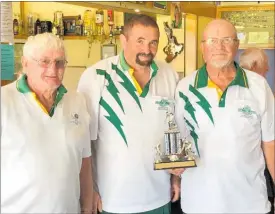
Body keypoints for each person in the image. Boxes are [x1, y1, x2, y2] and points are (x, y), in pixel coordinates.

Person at [77, 14, 181, 214]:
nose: (146, 50)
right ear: (123, 40)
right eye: (139, 41)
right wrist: (89, 193)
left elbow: (173, 130)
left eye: (153, 43)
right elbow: (84, 144)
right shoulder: (97, 76)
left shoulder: (168, 74)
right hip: (114, 199)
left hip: (160, 195)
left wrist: (175, 177)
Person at [175, 19, 275, 213]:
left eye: (226, 40)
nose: (219, 47)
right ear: (202, 47)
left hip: (250, 202)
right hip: (199, 203)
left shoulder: (258, 86)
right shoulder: (185, 88)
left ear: (237, 45)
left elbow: (270, 143)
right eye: (212, 40)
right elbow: (177, 141)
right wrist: (174, 177)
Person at [1, 33, 93, 213]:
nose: (53, 70)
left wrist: (87, 207)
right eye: (44, 61)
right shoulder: (4, 101)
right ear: (25, 64)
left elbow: (85, 163)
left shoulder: (77, 101)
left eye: (60, 62)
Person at [240, 47, 274, 214]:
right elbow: (269, 140)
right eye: (265, 64)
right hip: (255, 174)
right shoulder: (258, 86)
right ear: (254, 65)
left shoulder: (261, 87)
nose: (267, 68)